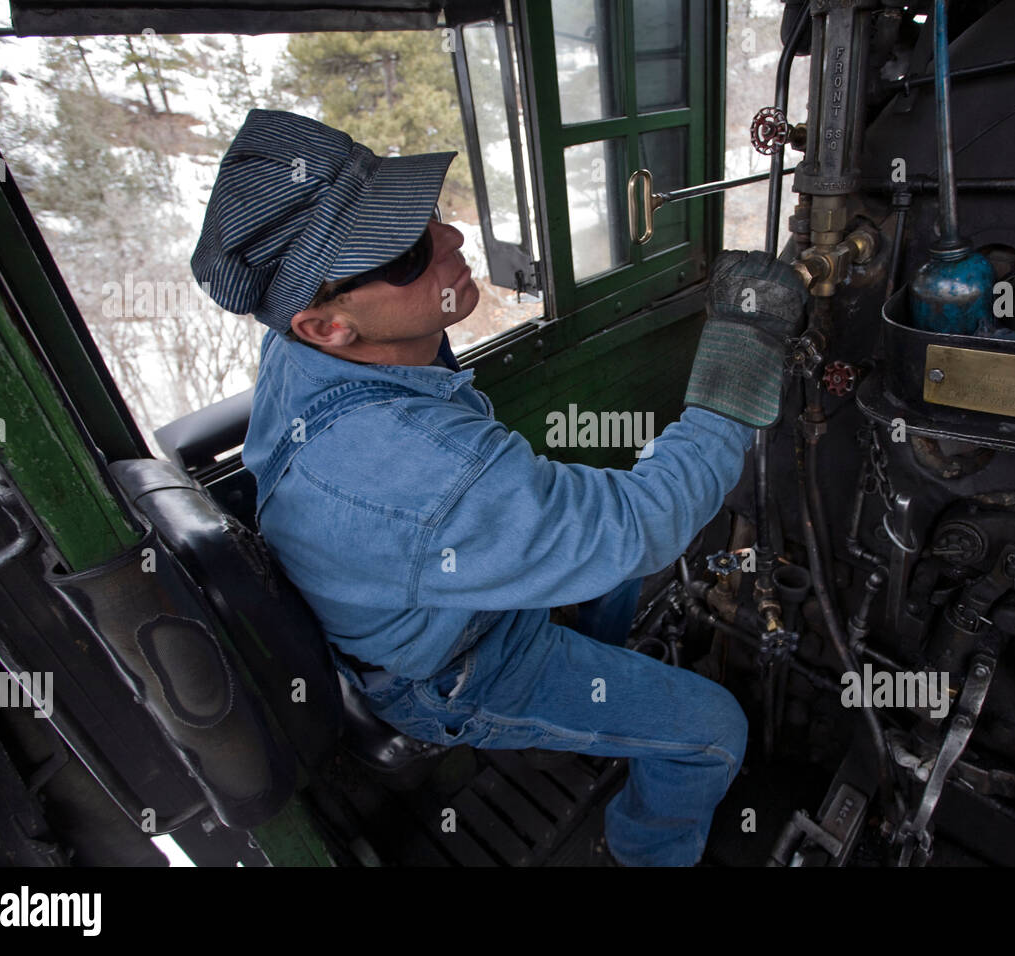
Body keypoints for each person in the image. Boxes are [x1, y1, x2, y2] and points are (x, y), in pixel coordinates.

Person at [191, 109, 807, 866]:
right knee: (715, 730)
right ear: (326, 325)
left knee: (611, 557)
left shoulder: (320, 349)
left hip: (442, 598)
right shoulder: (412, 469)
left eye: (429, 217)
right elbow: (640, 529)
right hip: (454, 668)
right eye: (410, 253)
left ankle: (582, 710)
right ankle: (644, 852)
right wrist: (738, 369)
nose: (451, 241)